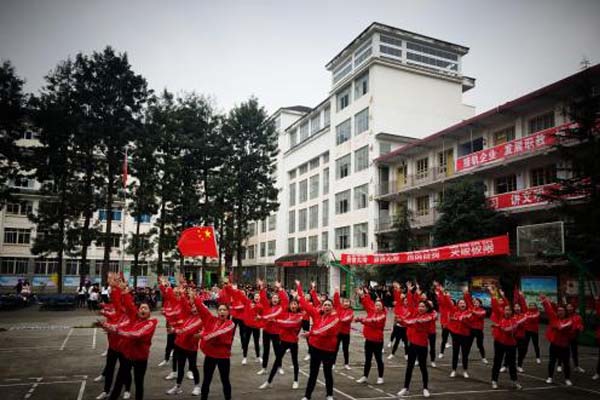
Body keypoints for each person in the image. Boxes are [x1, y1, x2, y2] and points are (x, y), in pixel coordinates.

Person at [101, 289, 158, 400]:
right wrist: (122, 291)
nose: (142, 310)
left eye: (145, 308)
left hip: (140, 359)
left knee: (138, 383)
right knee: (119, 381)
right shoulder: (134, 319)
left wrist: (117, 331)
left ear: (150, 312)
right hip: (127, 356)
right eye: (141, 308)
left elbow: (136, 334)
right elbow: (129, 306)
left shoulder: (151, 323)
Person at [297, 281, 339, 400]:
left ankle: (329, 395)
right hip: (315, 348)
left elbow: (324, 330)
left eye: (329, 305)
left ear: (332, 307)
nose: (326, 307)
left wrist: (310, 333)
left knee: (327, 373)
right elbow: (305, 305)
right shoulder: (317, 314)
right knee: (313, 374)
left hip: (328, 350)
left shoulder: (335, 318)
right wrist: (299, 291)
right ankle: (307, 396)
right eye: (325, 305)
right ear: (322, 306)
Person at [94, 275, 132, 400]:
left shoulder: (128, 312)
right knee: (109, 368)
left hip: (125, 347)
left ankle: (127, 390)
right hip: (113, 346)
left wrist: (120, 289)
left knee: (125, 369)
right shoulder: (116, 311)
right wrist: (113, 286)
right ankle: (106, 390)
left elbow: (124, 301)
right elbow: (114, 301)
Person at [193, 291, 235, 400]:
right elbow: (203, 310)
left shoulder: (230, 324)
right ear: (217, 311)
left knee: (225, 380)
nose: (222, 311)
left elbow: (217, 333)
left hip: (223, 357)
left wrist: (202, 335)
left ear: (228, 312)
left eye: (224, 310)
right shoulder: (212, 320)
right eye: (220, 309)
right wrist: (194, 297)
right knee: (206, 380)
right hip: (210, 355)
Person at [259, 297, 303, 389]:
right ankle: (269, 381)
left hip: (293, 342)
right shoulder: (285, 314)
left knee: (295, 362)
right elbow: (277, 319)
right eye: (292, 304)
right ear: (289, 305)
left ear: (298, 306)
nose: (293, 306)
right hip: (283, 341)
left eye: (295, 304)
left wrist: (277, 321)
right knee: (277, 361)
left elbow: (291, 324)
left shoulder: (300, 315)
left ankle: (296, 381)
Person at [165, 288, 203, 396]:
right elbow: (182, 303)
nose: (194, 308)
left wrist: (175, 330)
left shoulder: (201, 319)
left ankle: (196, 386)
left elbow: (188, 331)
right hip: (179, 345)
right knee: (180, 367)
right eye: (193, 306)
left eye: (196, 306)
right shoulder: (187, 315)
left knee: (193, 367)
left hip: (191, 348)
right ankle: (178, 386)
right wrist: (181, 294)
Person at [397, 300, 436, 398]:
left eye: (423, 306)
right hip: (412, 345)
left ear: (427, 308)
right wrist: (401, 320)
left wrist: (402, 321)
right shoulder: (416, 315)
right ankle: (406, 388)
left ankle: (425, 388)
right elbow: (408, 322)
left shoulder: (428, 317)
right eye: (419, 306)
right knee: (409, 367)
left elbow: (411, 323)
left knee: (423, 368)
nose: (420, 308)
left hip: (422, 346)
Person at [489, 287, 523, 390]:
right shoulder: (500, 317)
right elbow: (495, 305)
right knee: (497, 362)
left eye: (509, 310)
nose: (507, 311)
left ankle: (514, 381)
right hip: (499, 343)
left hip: (511, 345)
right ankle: (494, 381)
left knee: (512, 364)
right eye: (506, 309)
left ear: (511, 311)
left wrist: (499, 327)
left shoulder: (515, 320)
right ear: (503, 310)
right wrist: (494, 294)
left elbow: (509, 330)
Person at [355, 287, 386, 385]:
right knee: (367, 359)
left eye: (379, 305)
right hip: (369, 339)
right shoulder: (372, 311)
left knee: (378, 359)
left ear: (382, 307)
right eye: (376, 305)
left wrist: (361, 320)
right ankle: (365, 376)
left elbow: (373, 322)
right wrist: (362, 295)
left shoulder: (383, 315)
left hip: (377, 341)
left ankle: (380, 377)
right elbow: (367, 302)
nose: (377, 307)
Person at [540, 294, 573, 386]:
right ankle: (550, 377)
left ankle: (567, 379)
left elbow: (561, 327)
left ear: (565, 312)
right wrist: (544, 300)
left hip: (565, 346)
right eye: (558, 311)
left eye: (562, 311)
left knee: (566, 363)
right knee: (552, 361)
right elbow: (549, 310)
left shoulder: (569, 320)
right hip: (554, 345)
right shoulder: (554, 318)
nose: (560, 312)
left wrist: (557, 325)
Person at [256, 279, 288, 375]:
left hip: (277, 333)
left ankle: (279, 366)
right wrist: (261, 288)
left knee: (277, 351)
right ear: (271, 299)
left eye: (276, 298)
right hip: (266, 331)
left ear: (279, 300)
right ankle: (264, 368)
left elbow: (286, 300)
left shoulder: (281, 307)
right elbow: (262, 297)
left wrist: (280, 288)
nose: (275, 299)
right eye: (273, 298)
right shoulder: (267, 307)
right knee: (266, 350)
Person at [232, 285, 263, 365]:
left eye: (258, 296)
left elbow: (263, 313)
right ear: (253, 297)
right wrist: (236, 290)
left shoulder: (261, 305)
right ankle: (244, 357)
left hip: (256, 327)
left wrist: (260, 317)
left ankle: (258, 356)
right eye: (256, 296)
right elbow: (242, 296)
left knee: (256, 342)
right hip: (248, 326)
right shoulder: (248, 302)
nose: (257, 297)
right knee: (246, 342)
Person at [447, 291, 472, 378]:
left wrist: (463, 319)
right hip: (456, 336)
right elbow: (449, 306)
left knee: (465, 354)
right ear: (457, 305)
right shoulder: (455, 312)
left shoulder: (469, 312)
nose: (462, 304)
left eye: (463, 303)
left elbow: (470, 324)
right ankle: (454, 370)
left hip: (465, 336)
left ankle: (465, 370)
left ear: (466, 304)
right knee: (455, 353)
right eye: (460, 303)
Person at [464, 291, 487, 365]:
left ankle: (483, 357)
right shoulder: (471, 308)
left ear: (480, 304)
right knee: (468, 344)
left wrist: (472, 311)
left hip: (479, 330)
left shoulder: (483, 311)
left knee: (480, 344)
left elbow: (479, 314)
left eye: (477, 302)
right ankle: (465, 357)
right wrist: (466, 293)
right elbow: (468, 301)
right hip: (471, 329)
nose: (476, 303)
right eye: (475, 302)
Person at [333, 287, 354, 370]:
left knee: (346, 349)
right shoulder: (339, 308)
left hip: (346, 333)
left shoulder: (351, 311)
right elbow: (336, 300)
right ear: (342, 303)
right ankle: (333, 363)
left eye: (347, 302)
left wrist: (338, 319)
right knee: (335, 349)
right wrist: (336, 292)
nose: (346, 303)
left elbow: (347, 319)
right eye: (345, 302)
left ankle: (346, 364)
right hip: (337, 332)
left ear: (349, 303)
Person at [388, 282, 409, 361]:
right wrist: (397, 288)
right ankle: (392, 353)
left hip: (406, 327)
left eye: (407, 300)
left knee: (406, 342)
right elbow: (397, 296)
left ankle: (406, 354)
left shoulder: (410, 308)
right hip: (399, 326)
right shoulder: (400, 306)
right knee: (396, 341)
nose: (406, 302)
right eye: (405, 300)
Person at [561, 303, 585, 373]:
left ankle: (576, 366)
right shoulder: (564, 316)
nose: (569, 308)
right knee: (564, 352)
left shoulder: (577, 317)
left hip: (574, 337)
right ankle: (562, 366)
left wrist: (580, 327)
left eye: (571, 307)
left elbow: (580, 325)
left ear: (573, 308)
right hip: (565, 337)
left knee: (574, 352)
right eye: (568, 307)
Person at [519, 300, 541, 367]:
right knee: (525, 345)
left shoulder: (537, 313)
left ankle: (538, 357)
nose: (532, 306)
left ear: (535, 307)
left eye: (533, 305)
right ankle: (522, 357)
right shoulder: (527, 312)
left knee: (536, 345)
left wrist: (526, 317)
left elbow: (532, 318)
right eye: (530, 305)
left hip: (534, 331)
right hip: (527, 331)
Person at [434, 282, 452, 359]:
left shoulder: (452, 306)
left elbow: (447, 301)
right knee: (444, 339)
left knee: (456, 341)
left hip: (453, 326)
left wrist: (443, 293)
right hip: (445, 324)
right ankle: (441, 352)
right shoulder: (444, 307)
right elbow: (441, 300)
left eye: (449, 294)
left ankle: (457, 354)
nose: (448, 294)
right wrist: (440, 291)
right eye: (447, 293)